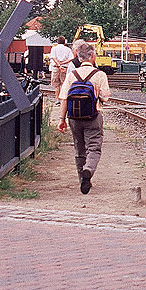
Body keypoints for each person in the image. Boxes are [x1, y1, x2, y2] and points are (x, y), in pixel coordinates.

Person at [58, 42, 109, 194]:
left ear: (78, 58)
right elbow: (105, 97)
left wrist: (61, 119)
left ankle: (82, 179)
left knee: (79, 149)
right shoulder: (99, 74)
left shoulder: (71, 75)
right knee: (94, 147)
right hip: (93, 116)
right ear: (92, 56)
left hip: (74, 118)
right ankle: (88, 170)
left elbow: (64, 99)